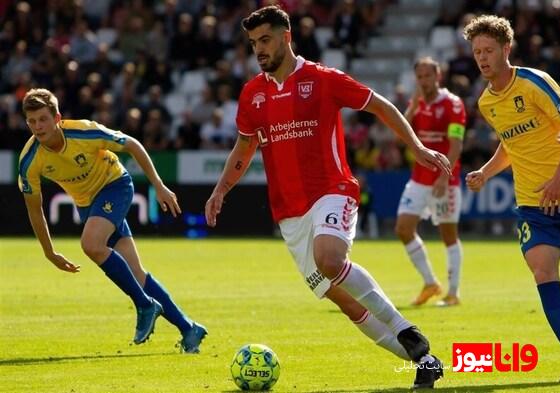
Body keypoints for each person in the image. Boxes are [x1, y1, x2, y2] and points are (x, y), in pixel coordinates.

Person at [205, 6, 450, 389]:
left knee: (330, 258)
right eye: (253, 43)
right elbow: (244, 145)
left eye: (265, 40)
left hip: (331, 190)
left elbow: (380, 105)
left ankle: (408, 329)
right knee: (343, 299)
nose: (259, 49)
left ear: (286, 37)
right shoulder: (252, 93)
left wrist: (416, 146)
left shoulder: (322, 79)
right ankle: (423, 359)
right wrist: (221, 188)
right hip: (288, 212)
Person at [18, 88, 207, 353]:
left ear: (57, 118)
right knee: (136, 273)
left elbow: (132, 144)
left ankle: (144, 305)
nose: (37, 126)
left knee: (91, 244)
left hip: (115, 185)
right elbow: (34, 208)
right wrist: (49, 252)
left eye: (43, 119)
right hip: (88, 205)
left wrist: (159, 186)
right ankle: (189, 329)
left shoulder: (83, 132)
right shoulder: (29, 160)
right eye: (31, 121)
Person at [463, 15, 560, 383]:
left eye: (489, 50)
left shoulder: (535, 83)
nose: (483, 58)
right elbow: (511, 144)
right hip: (533, 205)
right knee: (543, 272)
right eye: (477, 52)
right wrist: (486, 173)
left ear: (506, 49)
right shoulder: (487, 102)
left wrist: (557, 179)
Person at [395, 57, 466, 307]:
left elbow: (456, 143)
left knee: (448, 235)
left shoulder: (453, 104)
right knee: (403, 228)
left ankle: (453, 293)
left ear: (438, 76)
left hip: (443, 179)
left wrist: (445, 176)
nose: (424, 81)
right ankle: (430, 282)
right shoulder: (417, 104)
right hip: (419, 178)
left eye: (428, 76)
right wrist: (413, 108)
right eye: (420, 77)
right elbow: (401, 132)